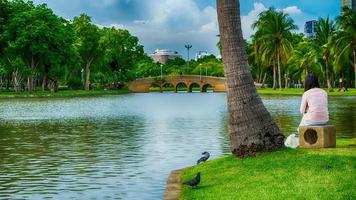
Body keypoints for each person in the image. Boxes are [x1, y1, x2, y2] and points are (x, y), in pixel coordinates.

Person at [285, 74, 329, 148]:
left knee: (305, 115)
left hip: (312, 121)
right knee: (308, 114)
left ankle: (299, 133)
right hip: (325, 120)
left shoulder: (306, 93)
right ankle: (303, 135)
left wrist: (307, 110)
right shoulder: (324, 92)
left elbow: (301, 110)